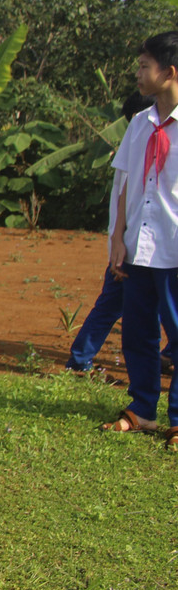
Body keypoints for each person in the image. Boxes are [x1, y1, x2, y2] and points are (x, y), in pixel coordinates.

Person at [102, 31, 178, 449]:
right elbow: (126, 181)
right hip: (140, 246)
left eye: (145, 65)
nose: (138, 72)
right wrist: (118, 236)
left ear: (169, 72)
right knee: (137, 333)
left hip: (174, 246)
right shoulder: (139, 122)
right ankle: (144, 409)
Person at [66, 91, 176, 372]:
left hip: (155, 249)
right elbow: (124, 204)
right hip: (131, 247)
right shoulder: (139, 144)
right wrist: (118, 242)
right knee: (116, 306)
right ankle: (80, 360)